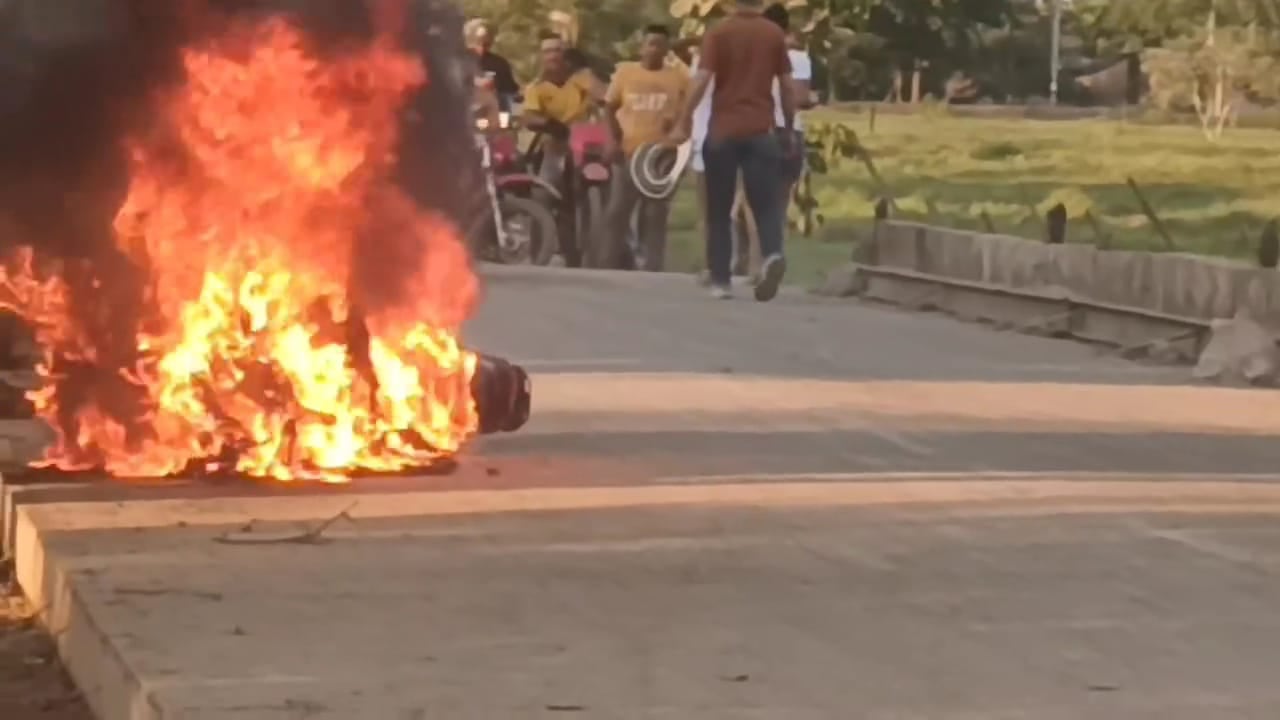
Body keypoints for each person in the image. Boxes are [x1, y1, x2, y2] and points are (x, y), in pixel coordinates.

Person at [670, 0, 796, 301]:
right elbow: (787, 86)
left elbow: (702, 79)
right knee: (765, 205)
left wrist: (683, 119)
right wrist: (788, 127)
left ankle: (721, 280)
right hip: (760, 130)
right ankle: (771, 255)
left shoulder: (718, 33)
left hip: (723, 132)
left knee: (718, 208)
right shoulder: (773, 34)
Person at [730, 3, 815, 280]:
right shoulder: (799, 58)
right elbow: (801, 98)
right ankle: (771, 256)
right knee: (777, 203)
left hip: (758, 131)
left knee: (749, 203)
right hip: (791, 133)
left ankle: (756, 265)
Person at [599, 24, 689, 271]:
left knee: (655, 212)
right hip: (628, 152)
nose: (655, 49)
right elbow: (609, 107)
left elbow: (688, 111)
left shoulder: (678, 77)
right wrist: (613, 140)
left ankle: (652, 268)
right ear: (642, 47)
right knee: (617, 211)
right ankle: (607, 265)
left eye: (661, 44)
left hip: (660, 157)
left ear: (667, 48)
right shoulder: (626, 73)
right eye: (651, 44)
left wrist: (678, 136)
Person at [522, 32, 606, 207]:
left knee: (610, 182)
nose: (552, 56)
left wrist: (588, 76)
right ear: (541, 57)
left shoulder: (580, 77)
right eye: (547, 52)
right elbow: (529, 117)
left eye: (557, 50)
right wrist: (548, 124)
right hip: (556, 142)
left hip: (587, 142)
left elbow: (605, 97)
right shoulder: (537, 87)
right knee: (544, 193)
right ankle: (542, 228)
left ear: (566, 54)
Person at [464, 20, 520, 113]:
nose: (481, 48)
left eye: (486, 44)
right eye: (477, 43)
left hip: (493, 113)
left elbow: (510, 92)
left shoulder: (499, 63)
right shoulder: (456, 63)